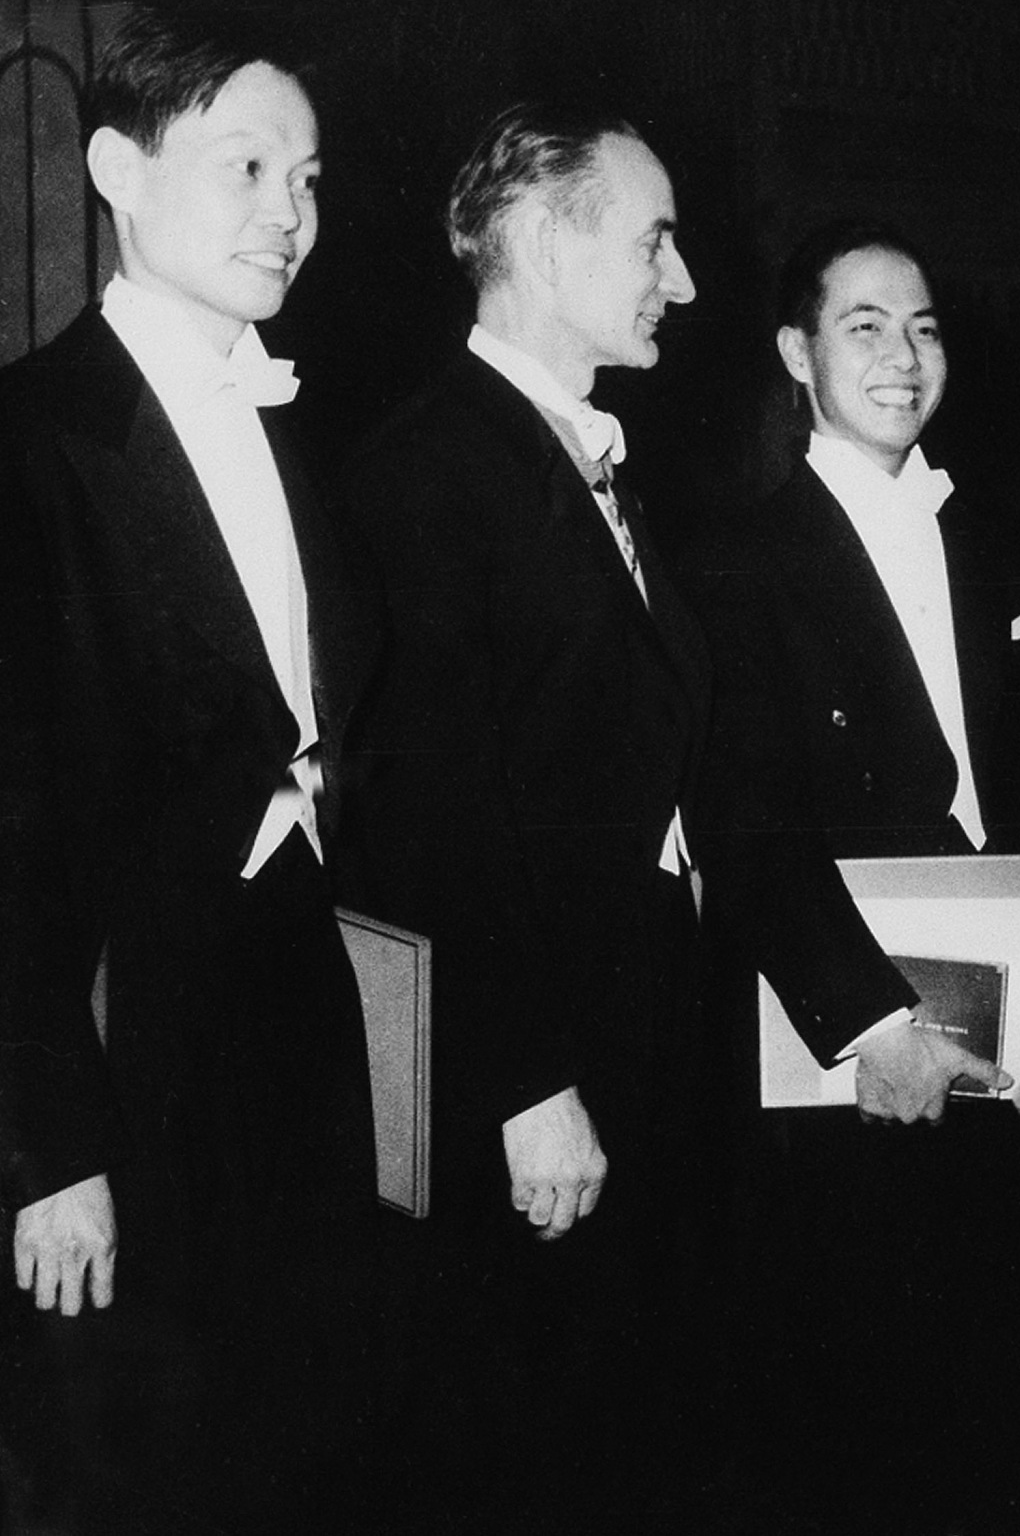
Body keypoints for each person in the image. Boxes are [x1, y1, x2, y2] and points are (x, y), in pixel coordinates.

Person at [690, 221, 1020, 1532]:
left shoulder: (999, 539)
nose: (902, 354)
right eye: (865, 326)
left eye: (925, 326)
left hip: (1017, 1064)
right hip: (856, 1066)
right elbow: (745, 824)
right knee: (869, 1439)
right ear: (795, 353)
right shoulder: (734, 559)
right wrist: (873, 1026)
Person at [0, 5, 382, 1531]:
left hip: (292, 1017)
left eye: (308, 175)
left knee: (297, 1457)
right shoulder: (29, 441)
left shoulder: (298, 435)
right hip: (114, 1041)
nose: (289, 211)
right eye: (246, 165)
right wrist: (44, 1150)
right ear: (113, 168)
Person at [337, 100, 706, 1532]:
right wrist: (524, 1083)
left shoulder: (570, 452)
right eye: (654, 240)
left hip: (631, 1028)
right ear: (550, 244)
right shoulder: (429, 466)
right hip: (540, 1066)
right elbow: (427, 819)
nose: (681, 281)